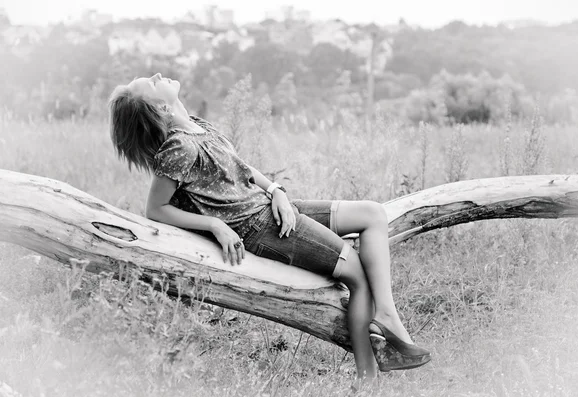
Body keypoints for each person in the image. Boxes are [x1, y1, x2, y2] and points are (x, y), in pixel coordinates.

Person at [107, 73, 431, 387]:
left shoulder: (197, 125)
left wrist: (276, 190)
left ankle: (387, 317)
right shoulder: (179, 149)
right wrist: (214, 224)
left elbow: (241, 168)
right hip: (257, 228)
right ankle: (368, 376)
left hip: (270, 207)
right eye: (150, 83)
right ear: (161, 109)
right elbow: (156, 209)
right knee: (357, 274)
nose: (158, 74)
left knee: (373, 214)